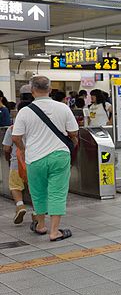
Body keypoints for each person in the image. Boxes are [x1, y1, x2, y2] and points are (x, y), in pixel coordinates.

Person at [11, 76, 78, 241]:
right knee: (57, 192)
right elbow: (74, 133)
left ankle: (41, 226)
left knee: (38, 192)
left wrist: (23, 149)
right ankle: (55, 232)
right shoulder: (63, 108)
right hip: (59, 156)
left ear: (32, 91)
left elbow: (16, 137)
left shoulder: (25, 111)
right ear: (50, 90)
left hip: (35, 158)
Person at [2, 124, 27, 224]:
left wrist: (8, 159)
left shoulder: (12, 128)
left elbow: (6, 148)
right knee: (35, 188)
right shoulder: (37, 125)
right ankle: (36, 212)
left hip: (17, 162)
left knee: (15, 186)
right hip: (34, 162)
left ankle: (20, 205)